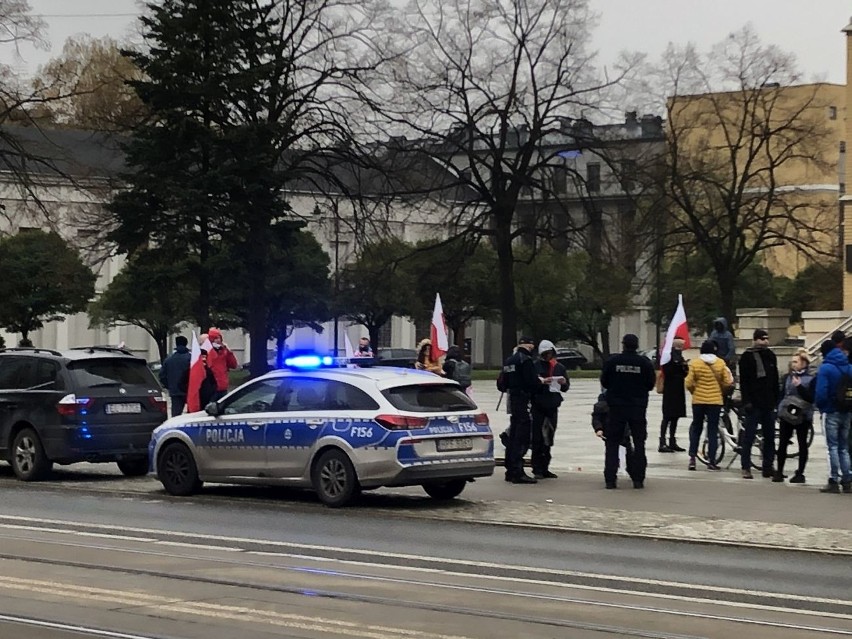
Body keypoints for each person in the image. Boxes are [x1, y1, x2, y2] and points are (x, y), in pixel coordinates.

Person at [599, 333, 656, 489]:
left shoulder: (613, 361)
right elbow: (651, 384)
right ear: (636, 345)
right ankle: (638, 479)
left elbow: (605, 381)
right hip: (637, 407)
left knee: (612, 443)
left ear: (623, 345)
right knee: (639, 443)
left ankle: (610, 479)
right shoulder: (644, 363)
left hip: (616, 406)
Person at [685, 339, 733, 472]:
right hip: (714, 402)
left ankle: (693, 459)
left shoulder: (695, 363)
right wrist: (720, 390)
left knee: (696, 429)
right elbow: (727, 382)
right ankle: (712, 461)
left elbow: (688, 382)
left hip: (698, 401)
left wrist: (695, 391)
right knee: (712, 431)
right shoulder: (720, 363)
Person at [501, 336, 545, 484]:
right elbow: (532, 382)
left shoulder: (509, 361)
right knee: (522, 436)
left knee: (513, 435)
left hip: (513, 400)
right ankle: (517, 471)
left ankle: (510, 470)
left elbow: (502, 384)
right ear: (529, 346)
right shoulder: (525, 360)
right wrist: (541, 381)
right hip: (523, 399)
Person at [738, 328, 780, 479]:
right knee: (749, 436)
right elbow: (744, 382)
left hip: (768, 403)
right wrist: (747, 401)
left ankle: (768, 466)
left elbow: (775, 379)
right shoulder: (747, 357)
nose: (765, 341)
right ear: (755, 340)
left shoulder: (770, 356)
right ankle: (746, 467)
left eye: (766, 338)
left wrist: (777, 400)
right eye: (762, 339)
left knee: (769, 437)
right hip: (754, 403)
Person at [814, 337, 852, 493]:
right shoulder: (849, 366)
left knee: (833, 447)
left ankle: (833, 480)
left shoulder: (826, 368)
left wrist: (822, 407)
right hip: (847, 410)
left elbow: (821, 392)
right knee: (844, 447)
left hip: (831, 410)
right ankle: (847, 479)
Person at [530, 340, 569, 479]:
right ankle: (537, 468)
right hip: (538, 405)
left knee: (549, 437)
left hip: (552, 405)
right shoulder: (535, 366)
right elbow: (531, 384)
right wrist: (541, 381)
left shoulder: (559, 367)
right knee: (537, 437)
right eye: (545, 354)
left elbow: (565, 387)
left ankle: (545, 467)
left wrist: (563, 383)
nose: (548, 356)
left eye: (550, 353)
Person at [775, 350, 815, 484]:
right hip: (786, 415)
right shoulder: (788, 377)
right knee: (783, 443)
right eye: (792, 361)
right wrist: (779, 408)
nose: (793, 364)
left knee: (802, 443)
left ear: (804, 363)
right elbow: (782, 394)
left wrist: (799, 386)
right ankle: (779, 471)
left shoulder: (811, 378)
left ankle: (800, 473)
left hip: (803, 416)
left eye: (796, 361)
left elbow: (811, 398)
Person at [592, 390, 636, 481]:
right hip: (610, 432)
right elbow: (596, 418)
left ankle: (631, 472)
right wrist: (598, 429)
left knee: (627, 452)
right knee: (612, 455)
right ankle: (611, 477)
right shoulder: (603, 403)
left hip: (622, 431)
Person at [659, 336, 688, 452]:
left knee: (675, 416)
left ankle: (672, 440)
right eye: (680, 346)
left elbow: (684, 372)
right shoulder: (669, 356)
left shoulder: (679, 356)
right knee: (667, 416)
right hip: (670, 389)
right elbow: (668, 370)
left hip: (678, 389)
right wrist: (680, 367)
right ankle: (662, 442)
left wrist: (684, 367)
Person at [159, 336, 191, 417]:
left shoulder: (169, 360)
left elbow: (162, 376)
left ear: (176, 344)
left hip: (175, 391)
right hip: (189, 390)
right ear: (186, 344)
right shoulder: (191, 358)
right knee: (192, 415)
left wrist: (169, 385)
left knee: (176, 416)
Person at [205, 327, 238, 401]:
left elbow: (233, 365)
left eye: (219, 338)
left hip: (223, 386)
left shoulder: (224, 351)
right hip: (212, 387)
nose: (218, 340)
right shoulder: (207, 352)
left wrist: (229, 352)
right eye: (215, 338)